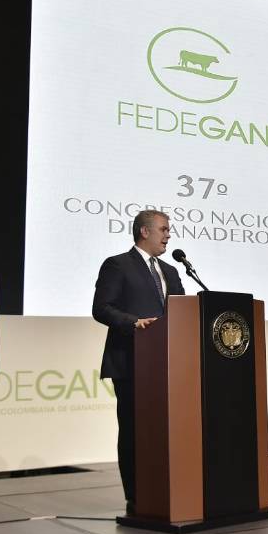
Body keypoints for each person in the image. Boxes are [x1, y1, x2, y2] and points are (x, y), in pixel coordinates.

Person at [92, 210, 185, 513]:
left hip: (166, 363)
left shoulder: (171, 271)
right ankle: (136, 495)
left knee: (165, 430)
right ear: (144, 232)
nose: (168, 235)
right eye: (163, 229)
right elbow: (101, 308)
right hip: (131, 361)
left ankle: (166, 488)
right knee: (134, 429)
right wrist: (134, 323)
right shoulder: (118, 264)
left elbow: (182, 312)